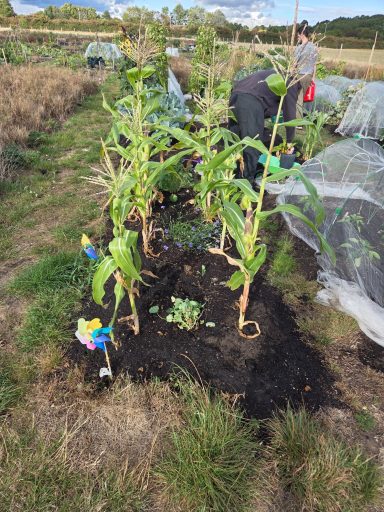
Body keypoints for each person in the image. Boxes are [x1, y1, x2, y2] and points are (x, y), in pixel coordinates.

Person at [229, 69, 300, 181]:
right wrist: (290, 141)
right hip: (250, 100)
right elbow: (290, 114)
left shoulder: (276, 72)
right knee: (253, 144)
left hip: (235, 95)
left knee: (235, 141)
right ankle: (247, 183)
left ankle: (232, 176)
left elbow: (269, 101)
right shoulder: (292, 82)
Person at [294, 20, 318, 120]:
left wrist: (290, 73)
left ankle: (297, 122)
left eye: (298, 35)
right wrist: (313, 78)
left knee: (298, 98)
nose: (297, 37)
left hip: (299, 74)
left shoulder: (300, 48)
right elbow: (315, 64)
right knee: (301, 97)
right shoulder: (314, 47)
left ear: (301, 34)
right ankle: (296, 118)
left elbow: (294, 63)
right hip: (308, 75)